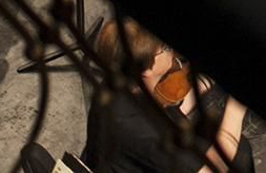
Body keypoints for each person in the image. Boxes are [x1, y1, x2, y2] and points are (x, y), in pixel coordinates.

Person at [84, 17, 252, 173]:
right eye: (165, 48)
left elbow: (164, 108)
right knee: (240, 152)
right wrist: (236, 106)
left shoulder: (115, 80)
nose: (170, 49)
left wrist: (199, 85)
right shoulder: (148, 130)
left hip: (118, 159)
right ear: (147, 69)